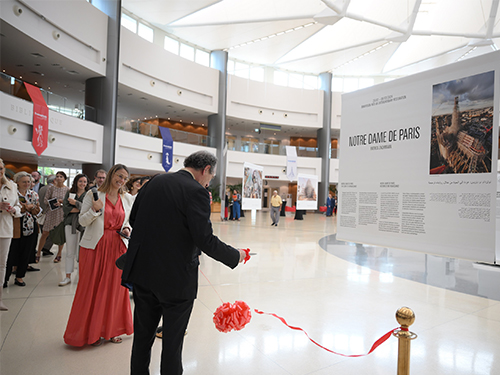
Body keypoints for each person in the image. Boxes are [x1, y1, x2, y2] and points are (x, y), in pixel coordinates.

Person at [122, 150, 247, 375]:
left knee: (142, 337)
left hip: (144, 272)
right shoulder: (196, 191)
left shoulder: (154, 182)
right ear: (205, 169)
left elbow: (134, 219)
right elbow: (204, 239)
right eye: (211, 177)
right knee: (172, 343)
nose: (209, 182)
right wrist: (235, 255)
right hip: (175, 279)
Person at [63, 164, 134, 346]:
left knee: (115, 290)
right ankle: (90, 332)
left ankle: (111, 330)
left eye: (125, 178)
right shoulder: (93, 194)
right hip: (95, 247)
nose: (122, 180)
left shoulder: (126, 198)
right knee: (91, 289)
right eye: (119, 176)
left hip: (117, 247)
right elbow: (82, 221)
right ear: (111, 175)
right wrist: (95, 210)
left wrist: (126, 228)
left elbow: (127, 222)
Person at [4, 172, 41, 288]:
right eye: (24, 181)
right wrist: (28, 207)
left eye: (29, 181)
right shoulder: (12, 193)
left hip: (30, 227)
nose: (27, 184)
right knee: (11, 253)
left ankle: (19, 277)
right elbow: (16, 208)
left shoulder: (33, 194)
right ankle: (5, 279)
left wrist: (28, 207)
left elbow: (38, 210)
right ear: (17, 182)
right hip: (15, 226)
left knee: (26, 253)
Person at [59, 173, 89, 286]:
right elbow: (66, 208)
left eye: (84, 182)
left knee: (82, 252)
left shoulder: (88, 194)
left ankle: (82, 276)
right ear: (76, 182)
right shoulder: (70, 193)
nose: (82, 184)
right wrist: (80, 208)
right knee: (70, 251)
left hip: (84, 225)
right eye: (80, 181)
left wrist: (76, 203)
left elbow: (88, 209)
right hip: (70, 224)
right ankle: (67, 276)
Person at [0, 159, 21, 310]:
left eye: (1, 168)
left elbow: (18, 206)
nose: (0, 171)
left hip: (5, 229)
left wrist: (14, 210)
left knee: (2, 265)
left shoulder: (12, 186)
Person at [36, 171, 69, 263]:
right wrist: (54, 202)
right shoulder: (51, 188)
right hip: (51, 213)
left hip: (61, 214)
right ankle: (38, 253)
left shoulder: (67, 190)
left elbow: (68, 202)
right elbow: (45, 200)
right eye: (57, 176)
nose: (59, 178)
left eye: (61, 176)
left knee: (60, 234)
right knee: (45, 233)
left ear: (64, 179)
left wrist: (61, 203)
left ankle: (59, 254)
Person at [36, 175, 55, 259]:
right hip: (49, 214)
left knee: (43, 233)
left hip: (41, 214)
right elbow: (53, 204)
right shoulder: (53, 189)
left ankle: (41, 248)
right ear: (54, 181)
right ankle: (45, 248)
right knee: (51, 233)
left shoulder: (42, 188)